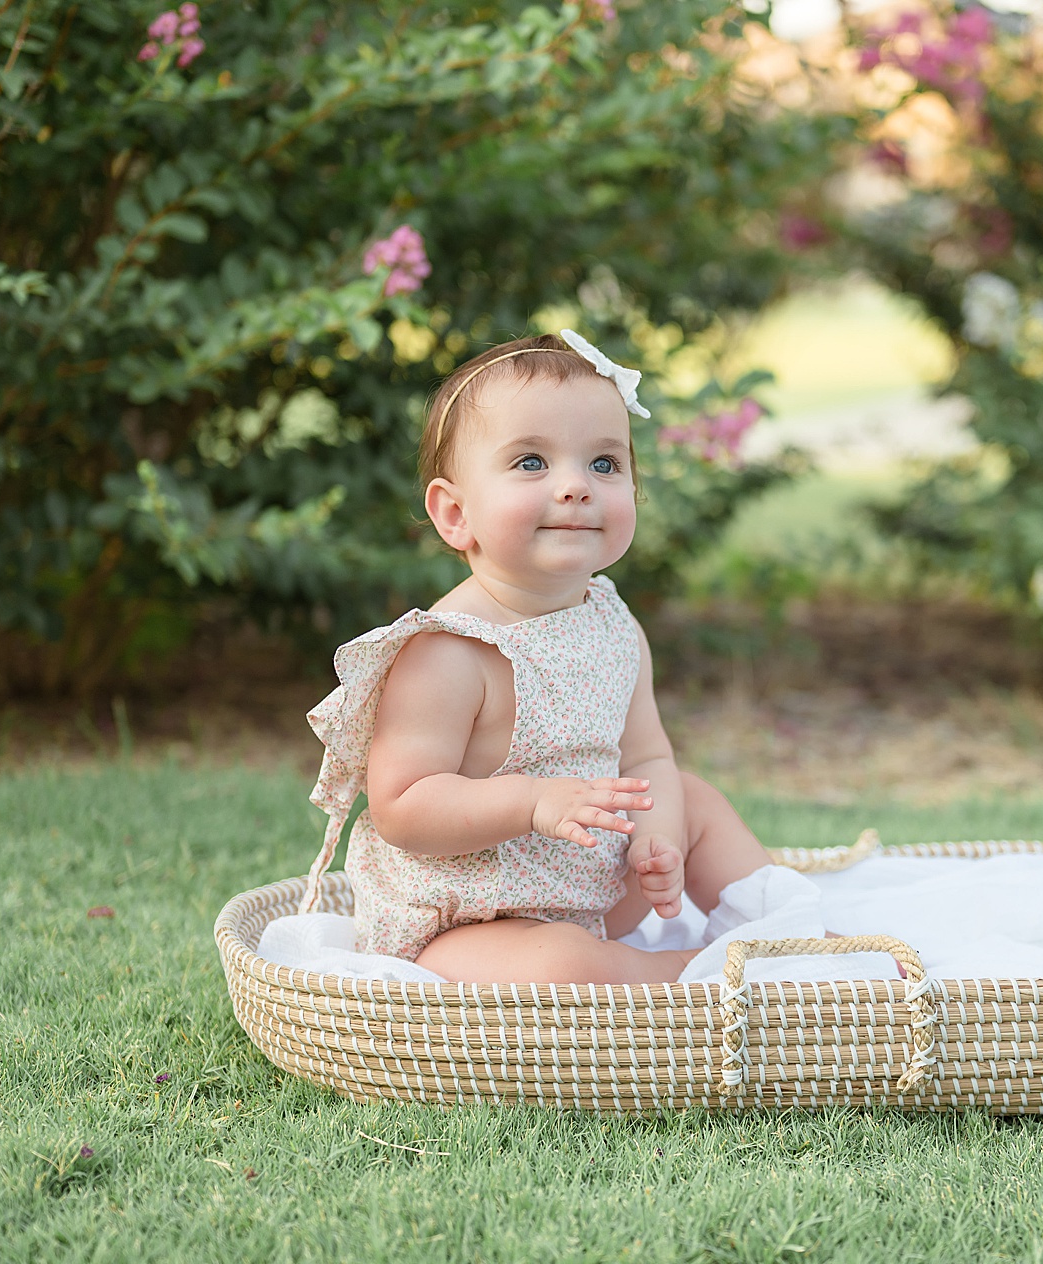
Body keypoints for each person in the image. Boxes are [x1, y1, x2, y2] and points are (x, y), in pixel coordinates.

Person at [296, 331, 776, 984]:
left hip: (588, 884)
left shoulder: (612, 623)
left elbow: (647, 760)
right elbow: (402, 806)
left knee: (693, 799)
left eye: (604, 464)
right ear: (455, 513)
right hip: (469, 920)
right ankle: (688, 974)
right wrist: (530, 802)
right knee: (560, 965)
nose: (577, 486)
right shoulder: (449, 651)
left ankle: (782, 929)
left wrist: (657, 836)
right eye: (531, 462)